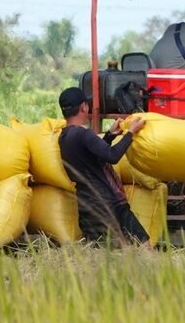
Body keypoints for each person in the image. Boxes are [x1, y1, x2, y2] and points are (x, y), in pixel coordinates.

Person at [56, 87, 150, 246]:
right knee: (144, 246)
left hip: (88, 205)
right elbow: (112, 156)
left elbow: (93, 156)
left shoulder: (64, 137)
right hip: (109, 203)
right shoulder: (83, 134)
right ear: (84, 107)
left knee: (101, 257)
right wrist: (131, 133)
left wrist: (110, 135)